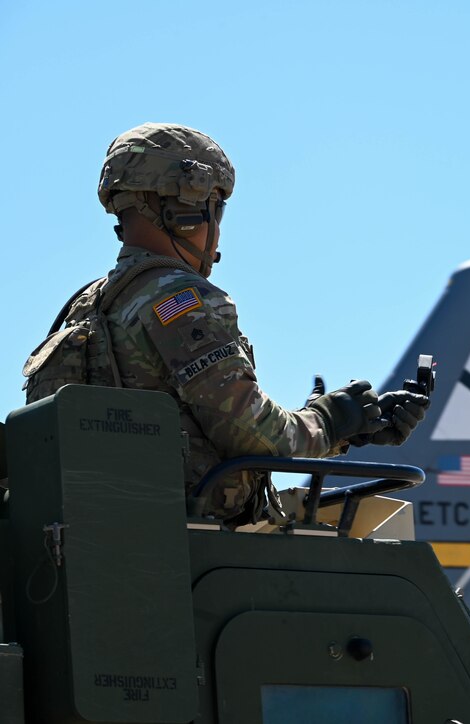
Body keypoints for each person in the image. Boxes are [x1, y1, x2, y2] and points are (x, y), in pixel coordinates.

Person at [23, 122, 428, 526]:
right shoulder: (176, 298)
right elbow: (253, 435)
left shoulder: (88, 305)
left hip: (118, 534)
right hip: (191, 541)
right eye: (216, 207)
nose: (217, 231)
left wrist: (352, 426)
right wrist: (332, 419)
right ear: (184, 210)